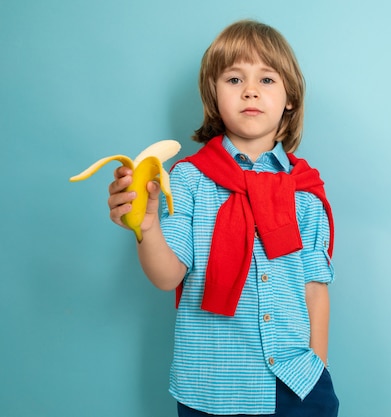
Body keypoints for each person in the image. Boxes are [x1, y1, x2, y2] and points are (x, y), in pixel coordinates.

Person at [107, 19, 339, 417]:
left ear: (290, 99)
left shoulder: (304, 191)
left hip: (297, 383)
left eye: (267, 79)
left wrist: (317, 367)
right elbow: (167, 276)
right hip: (213, 384)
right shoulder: (188, 179)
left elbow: (314, 289)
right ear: (214, 96)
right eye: (233, 79)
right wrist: (145, 224)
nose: (250, 89)